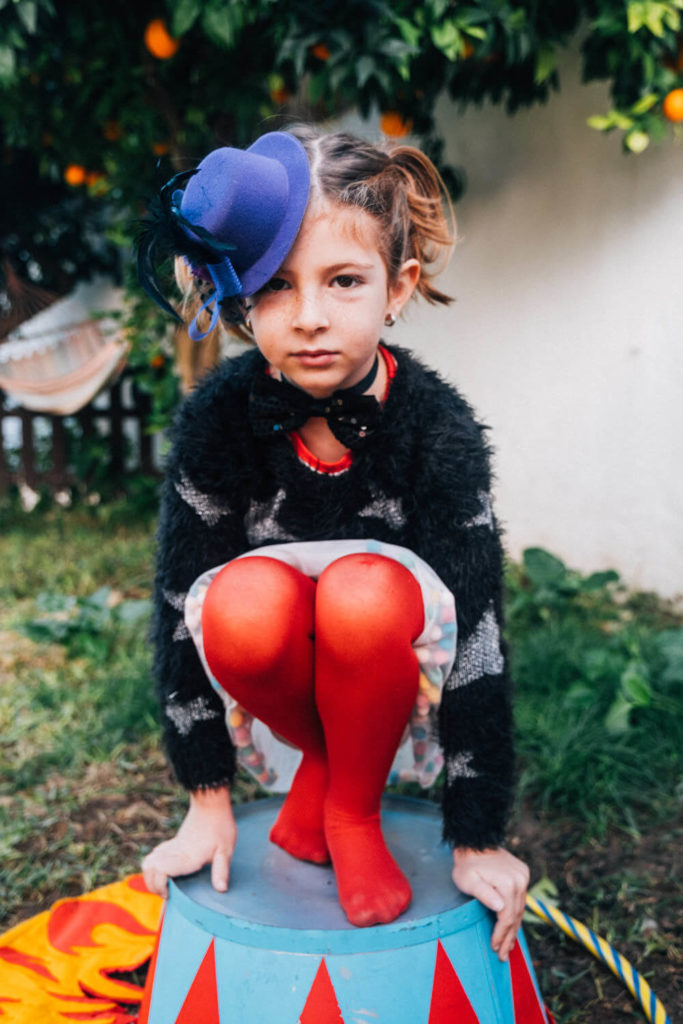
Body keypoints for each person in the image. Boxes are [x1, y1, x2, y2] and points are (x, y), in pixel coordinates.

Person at [137, 125, 529, 960]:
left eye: (343, 280)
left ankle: (349, 808)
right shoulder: (217, 421)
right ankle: (325, 760)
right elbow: (177, 609)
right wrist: (206, 799)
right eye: (276, 286)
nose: (310, 318)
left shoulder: (438, 431)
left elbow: (478, 633)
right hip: (272, 675)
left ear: (397, 288)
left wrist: (477, 836)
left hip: (399, 676)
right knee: (240, 601)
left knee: (360, 589)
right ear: (239, 299)